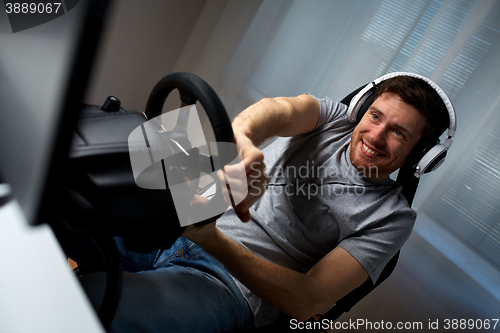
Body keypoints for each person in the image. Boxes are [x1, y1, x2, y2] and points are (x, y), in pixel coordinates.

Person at [62, 74, 450, 332]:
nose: (375, 135)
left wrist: (209, 238)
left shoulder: (393, 218)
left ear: (420, 155)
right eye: (375, 115)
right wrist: (243, 140)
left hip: (225, 283)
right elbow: (278, 109)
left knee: (85, 304)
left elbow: (306, 301)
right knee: (63, 190)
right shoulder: (334, 119)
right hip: (195, 209)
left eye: (397, 132)